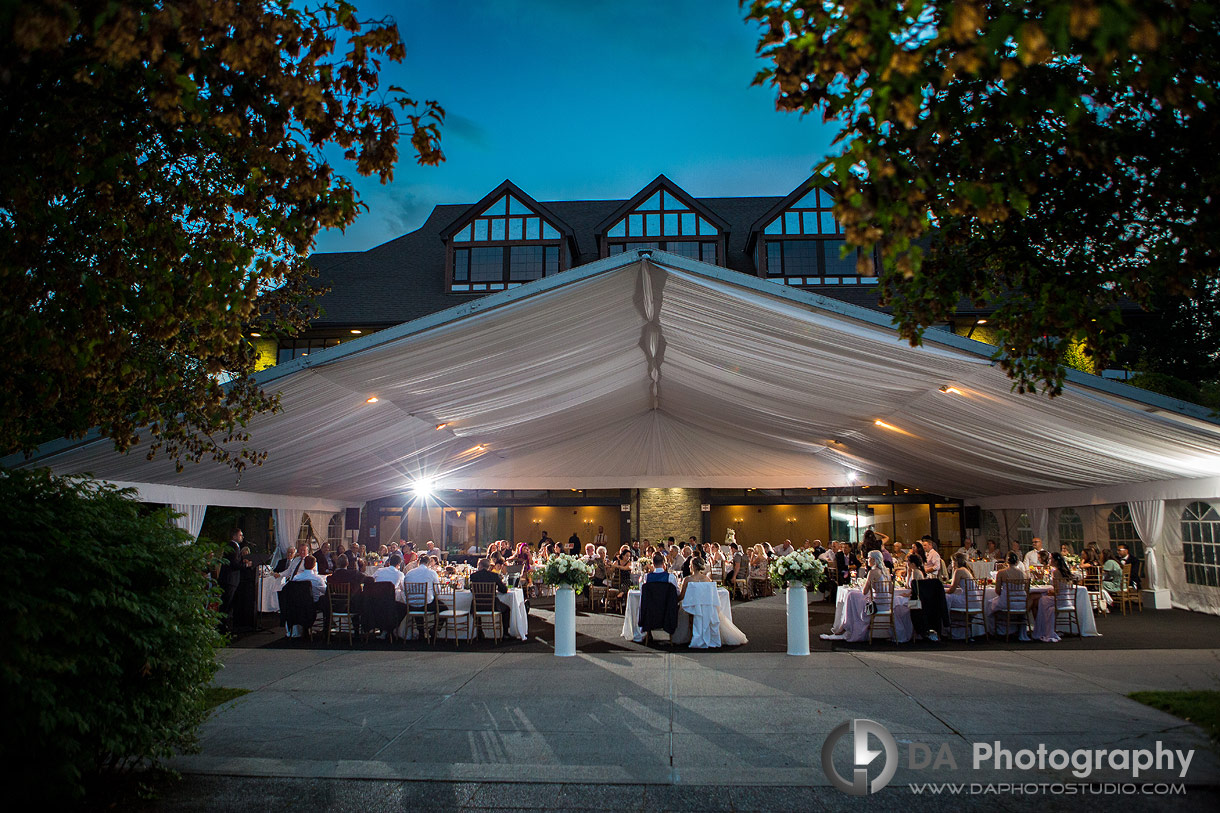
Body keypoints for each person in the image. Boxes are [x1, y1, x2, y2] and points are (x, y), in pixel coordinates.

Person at [469, 557, 510, 637]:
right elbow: (504, 590)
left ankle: (479, 631)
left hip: (477, 606)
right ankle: (505, 633)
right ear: (489, 566)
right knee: (507, 609)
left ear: (479, 566)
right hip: (492, 605)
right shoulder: (494, 576)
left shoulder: (473, 576)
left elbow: (471, 589)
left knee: (476, 606)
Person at [289, 554, 328, 637]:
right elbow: (325, 591)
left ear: (304, 564)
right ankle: (327, 627)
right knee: (325, 600)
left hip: (299, 603)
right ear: (314, 565)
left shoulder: (296, 578)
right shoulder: (317, 579)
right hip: (313, 603)